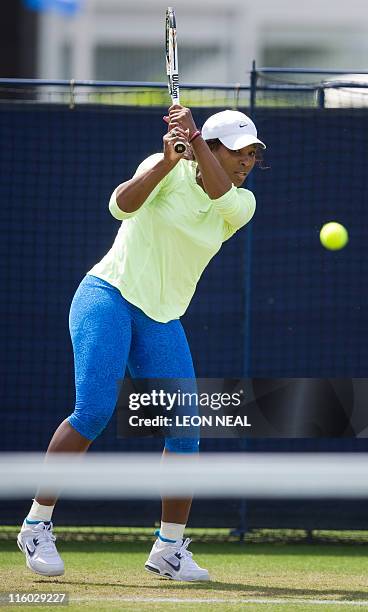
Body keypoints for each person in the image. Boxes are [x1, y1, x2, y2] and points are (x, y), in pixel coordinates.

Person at [17, 105, 266, 582]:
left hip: (161, 316)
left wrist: (191, 139)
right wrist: (168, 161)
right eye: (236, 152)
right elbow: (120, 205)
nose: (245, 161)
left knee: (185, 431)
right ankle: (36, 524)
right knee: (92, 412)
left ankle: (168, 548)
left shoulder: (240, 203)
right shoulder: (166, 168)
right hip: (107, 294)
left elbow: (216, 190)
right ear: (211, 149)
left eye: (252, 154)